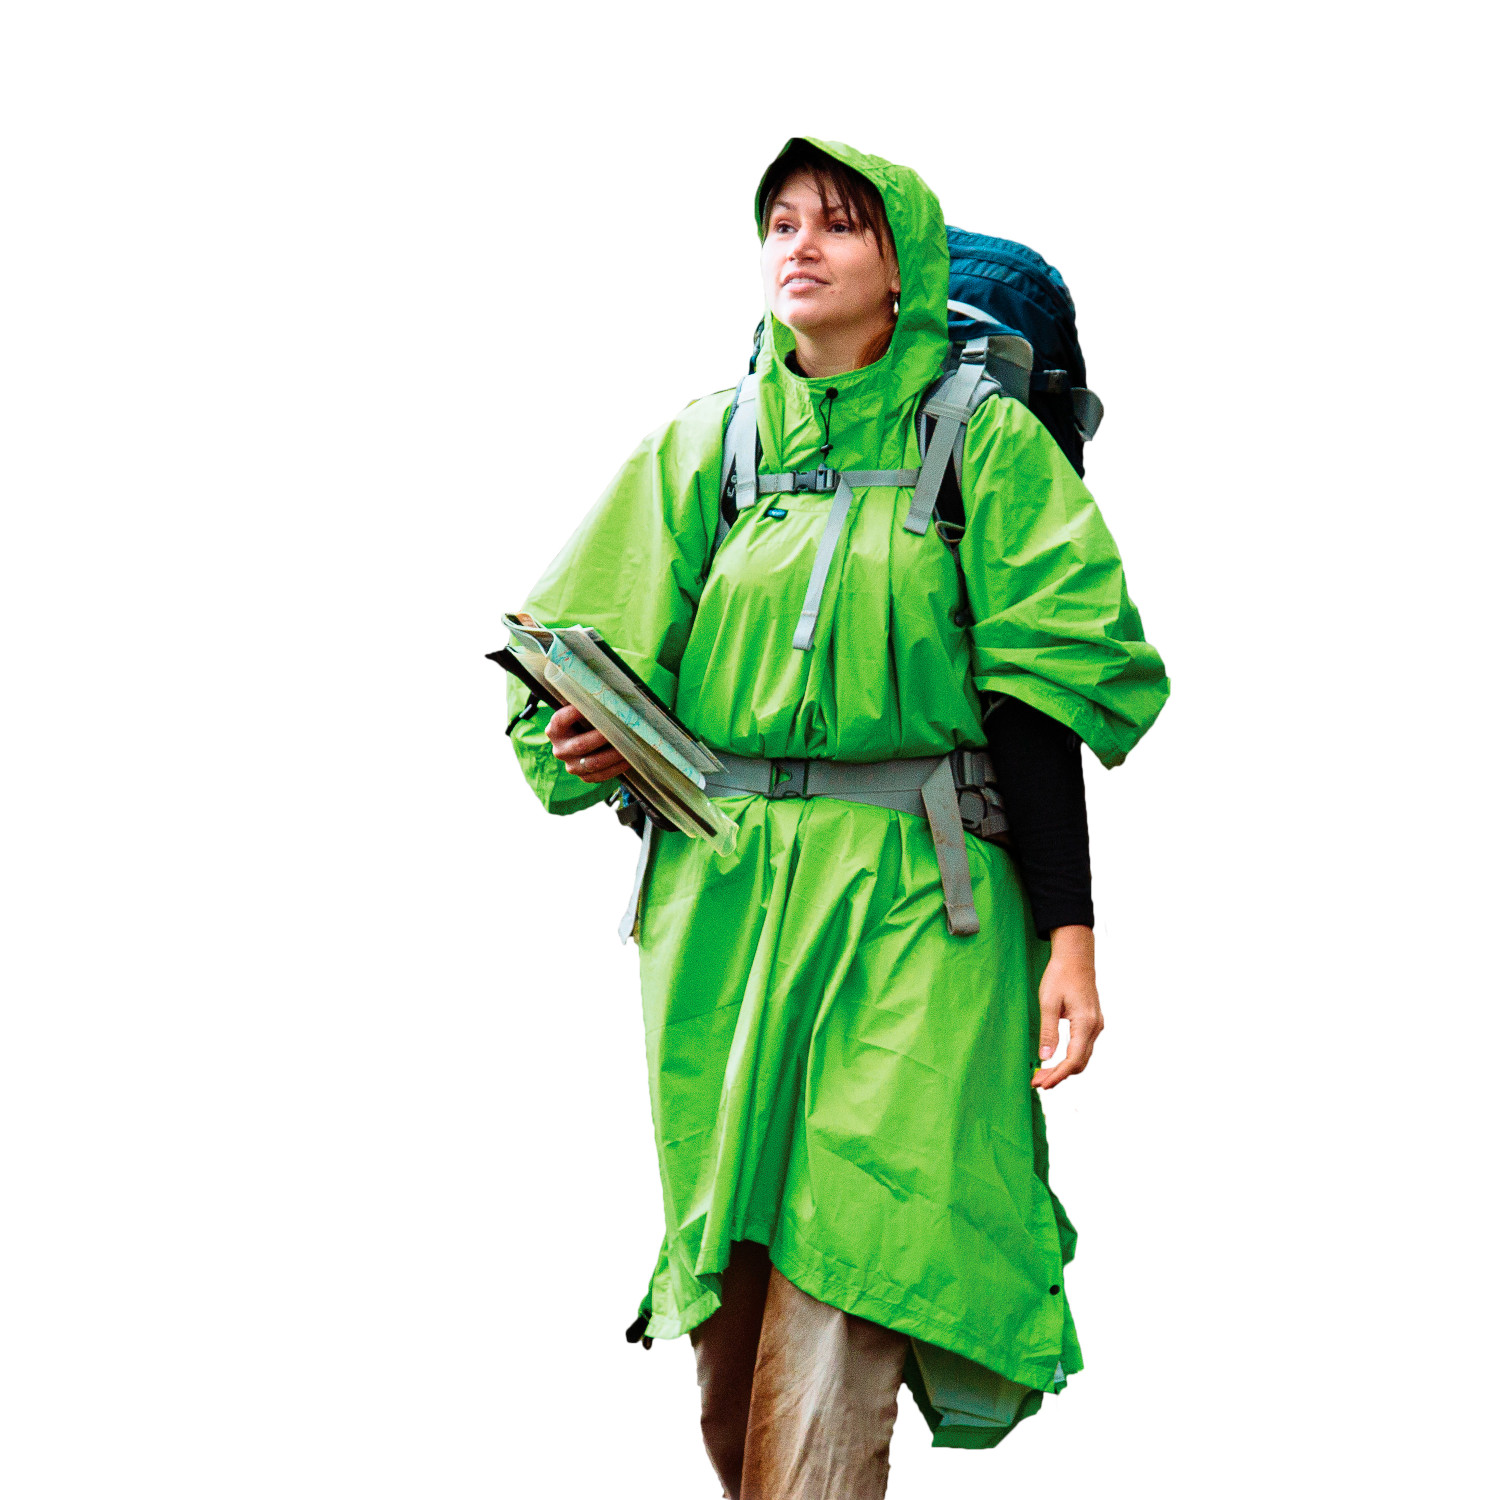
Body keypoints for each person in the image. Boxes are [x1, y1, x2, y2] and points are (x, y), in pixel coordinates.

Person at [506, 137, 1169, 1499]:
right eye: (783, 223)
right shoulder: (706, 447)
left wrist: (1070, 936)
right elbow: (580, 644)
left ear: (902, 266)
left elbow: (1037, 695)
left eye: (841, 224)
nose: (801, 245)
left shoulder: (984, 449)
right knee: (736, 1302)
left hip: (923, 899)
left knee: (855, 1259)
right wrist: (597, 740)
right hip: (724, 907)